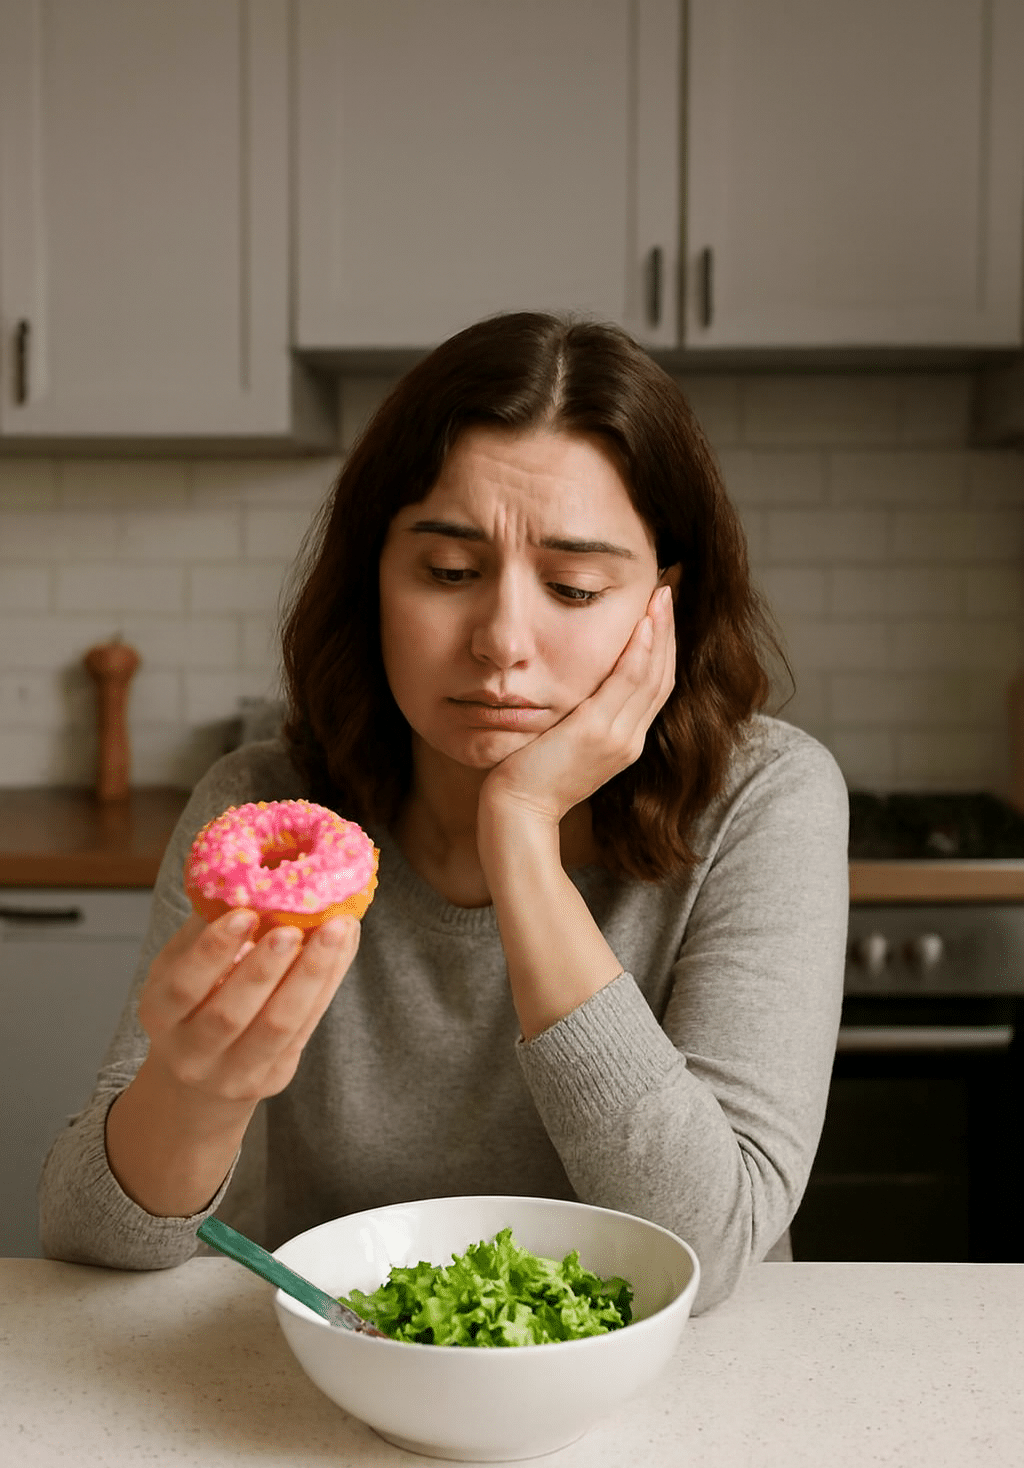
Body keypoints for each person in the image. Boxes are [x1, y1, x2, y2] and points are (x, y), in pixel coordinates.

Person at [39, 311, 849, 1314]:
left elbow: (711, 1248)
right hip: (337, 1386)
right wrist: (199, 1087)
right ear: (373, 576)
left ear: (662, 606)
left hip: (666, 1394)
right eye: (449, 573)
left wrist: (519, 833)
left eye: (574, 584)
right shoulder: (263, 804)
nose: (502, 639)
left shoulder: (766, 797)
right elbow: (90, 1237)